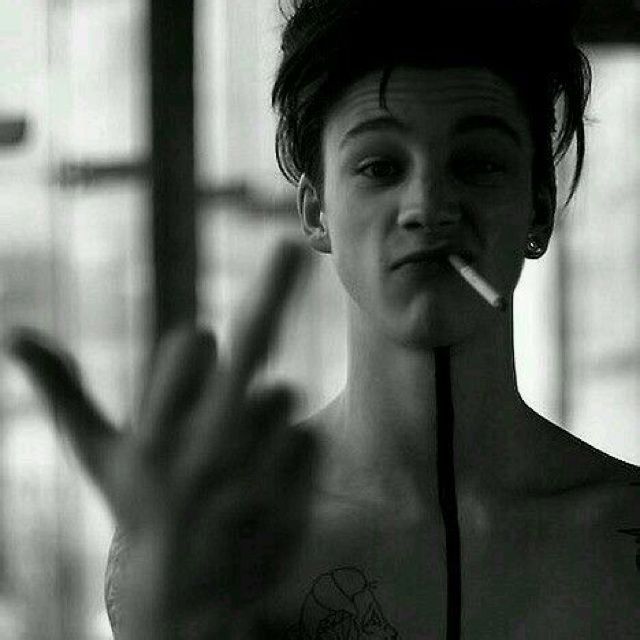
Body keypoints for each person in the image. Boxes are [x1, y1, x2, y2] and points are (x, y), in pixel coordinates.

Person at [6, 0, 639, 638]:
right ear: (316, 212)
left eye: (477, 164)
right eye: (381, 167)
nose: (428, 207)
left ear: (539, 209)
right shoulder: (218, 547)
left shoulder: (623, 537)